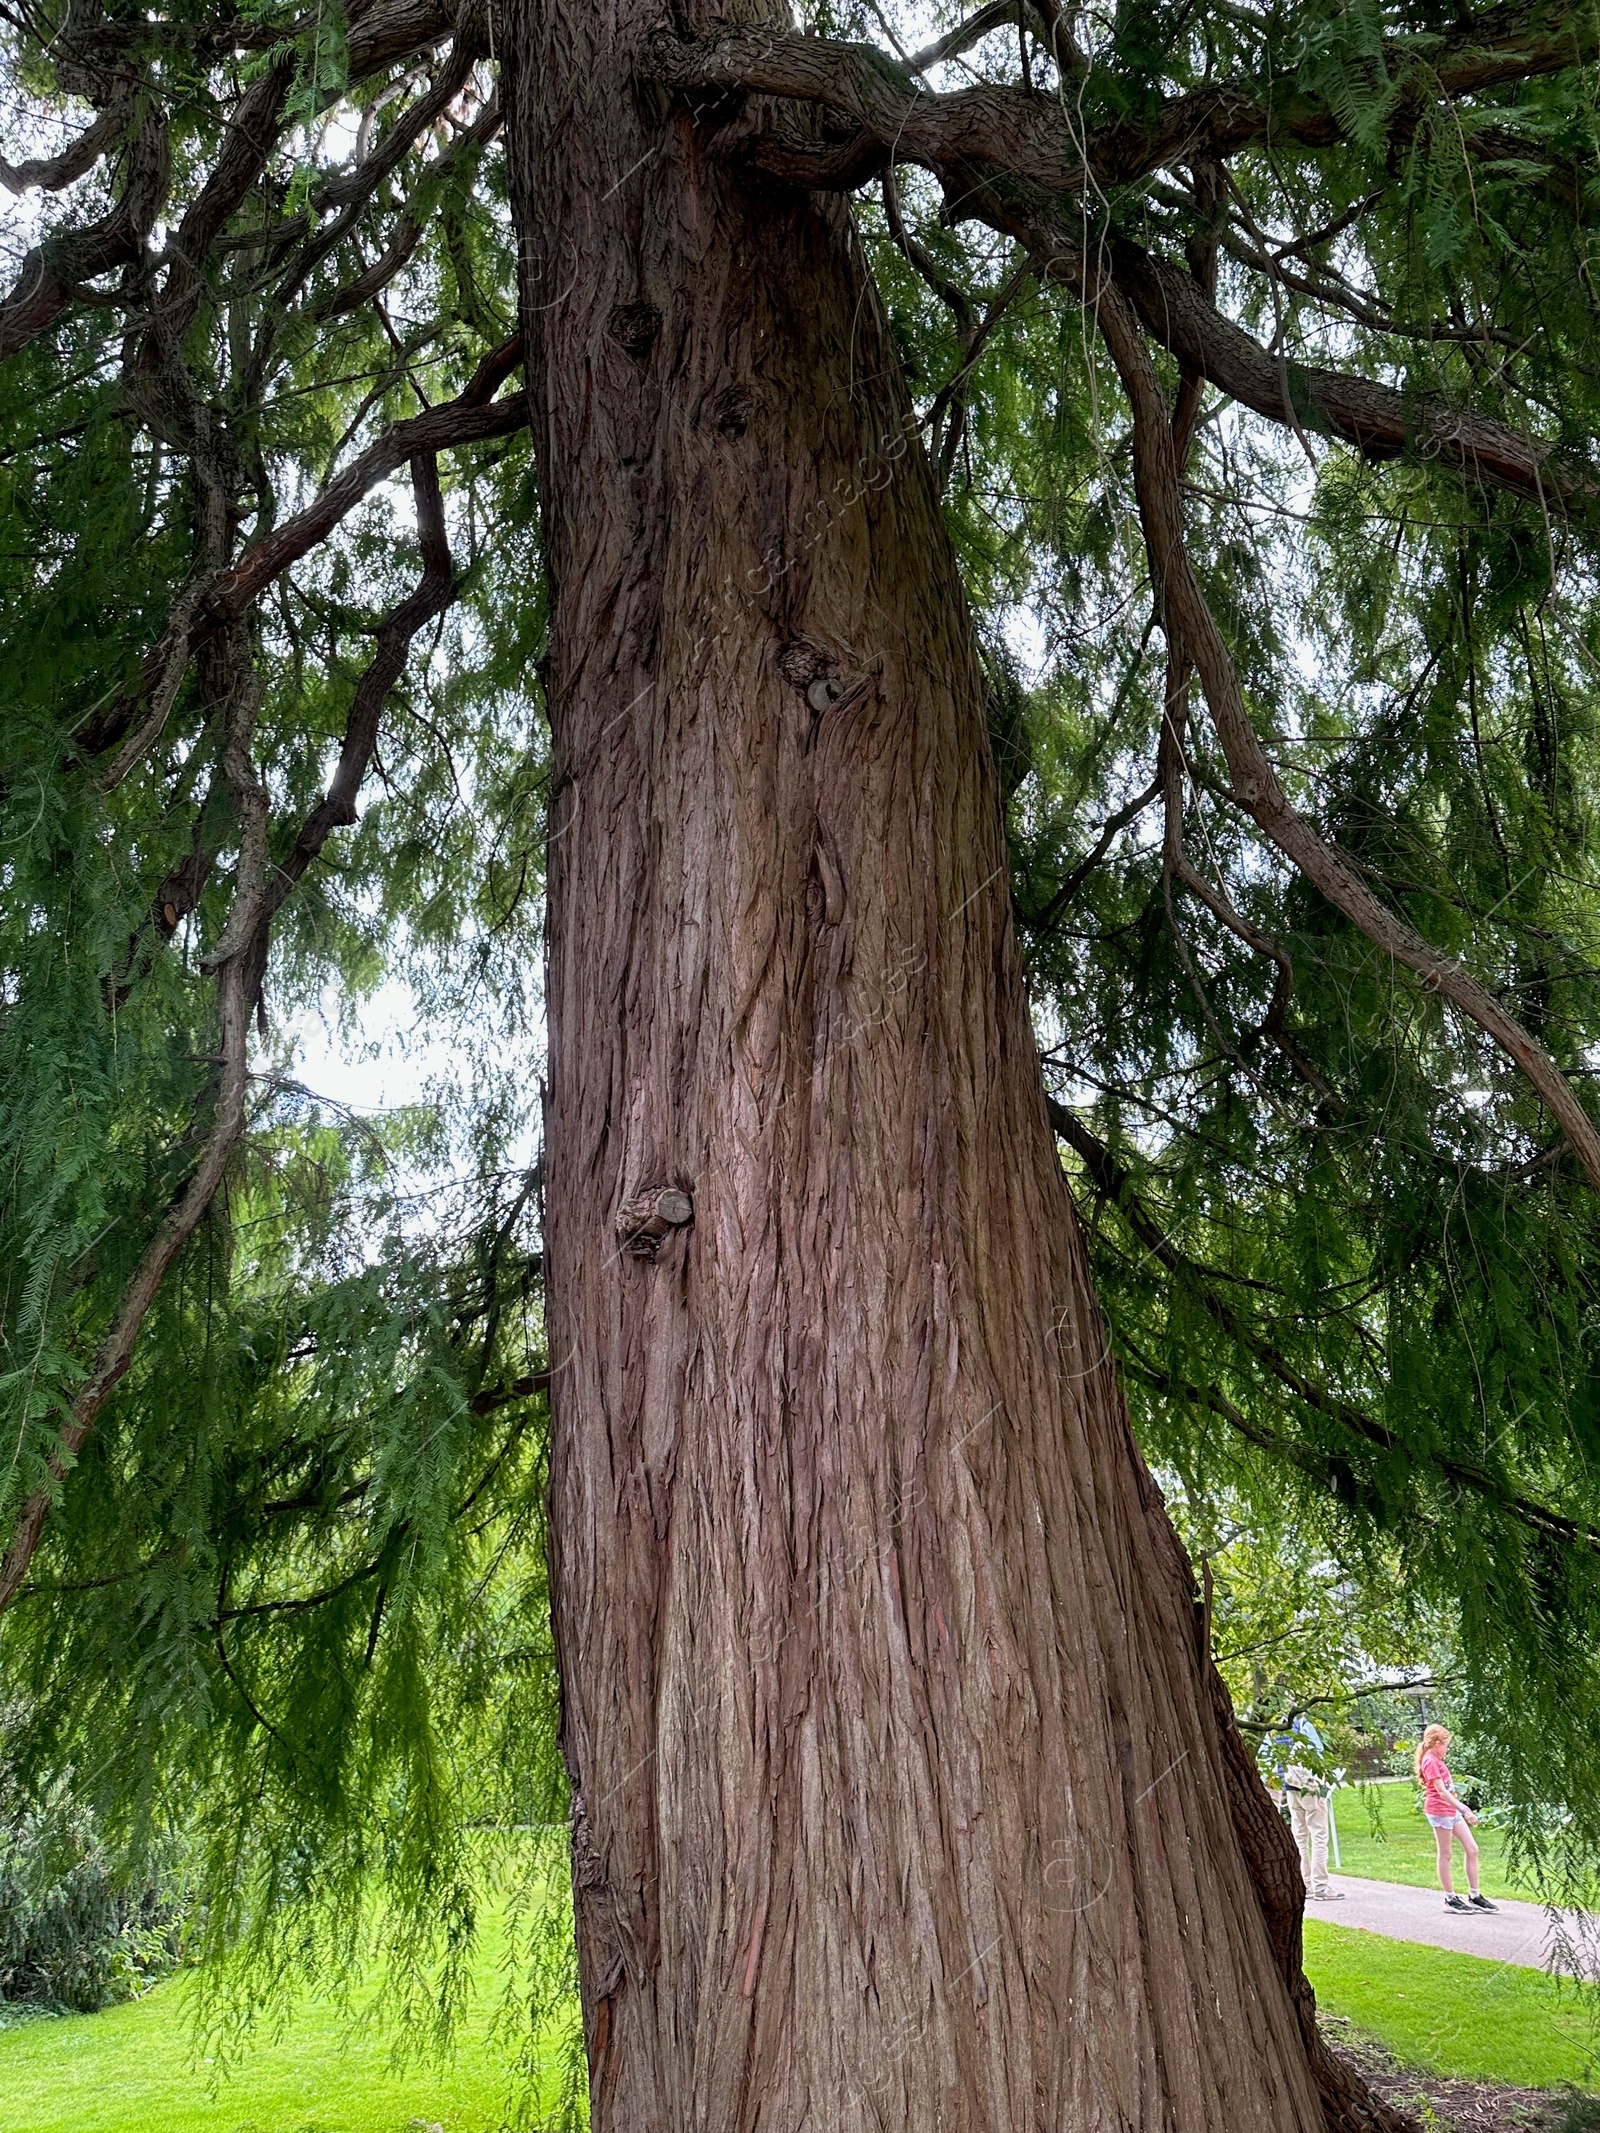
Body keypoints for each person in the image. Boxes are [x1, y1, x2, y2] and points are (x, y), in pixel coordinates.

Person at [1416, 1723, 1497, 1913]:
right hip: (1440, 1811)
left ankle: (1475, 1895)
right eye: (1446, 1744)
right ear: (1437, 1743)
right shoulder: (1430, 1761)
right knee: (1446, 1854)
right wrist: (1465, 1809)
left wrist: (1459, 1810)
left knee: (1472, 1848)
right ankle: (1450, 1899)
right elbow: (1442, 1792)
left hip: (1451, 1811)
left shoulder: (1436, 1759)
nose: (1447, 1748)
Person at [1266, 1714, 1343, 1902]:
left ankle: (1305, 1884)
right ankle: (1320, 1886)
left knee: (1300, 1836)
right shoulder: (1302, 1724)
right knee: (1318, 1836)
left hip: (1290, 1786)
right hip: (1310, 1788)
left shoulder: (1273, 1728)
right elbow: (1317, 1753)